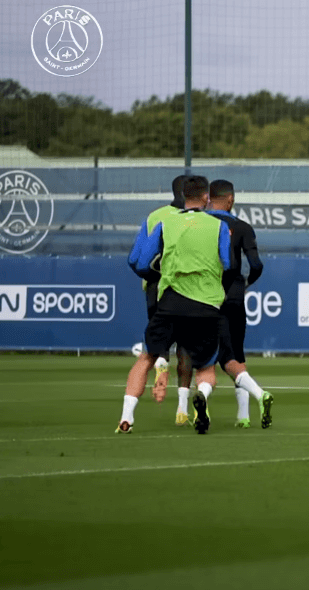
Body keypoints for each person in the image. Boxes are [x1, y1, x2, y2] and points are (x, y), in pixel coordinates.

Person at [121, 175, 231, 434]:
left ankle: (126, 417)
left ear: (183, 195)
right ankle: (199, 396)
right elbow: (228, 263)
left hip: (169, 301)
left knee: (146, 356)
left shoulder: (163, 223)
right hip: (205, 303)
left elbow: (139, 262)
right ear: (206, 197)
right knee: (204, 366)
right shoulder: (219, 226)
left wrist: (163, 273)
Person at [127, 174, 195, 424]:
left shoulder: (155, 217)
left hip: (155, 289)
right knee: (187, 346)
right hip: (189, 289)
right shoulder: (202, 218)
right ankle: (182, 406)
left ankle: (161, 363)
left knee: (157, 343)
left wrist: (153, 276)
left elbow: (135, 259)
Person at [207, 179, 273, 429]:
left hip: (208, 294)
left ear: (208, 198)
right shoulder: (243, 227)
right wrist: (245, 284)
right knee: (237, 352)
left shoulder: (201, 224)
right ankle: (243, 416)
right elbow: (256, 265)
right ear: (231, 199)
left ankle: (260, 395)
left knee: (216, 357)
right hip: (235, 294)